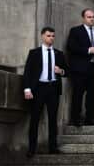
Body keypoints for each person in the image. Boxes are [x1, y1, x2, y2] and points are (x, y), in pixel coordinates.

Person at [22, 26, 67, 157]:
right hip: (38, 89)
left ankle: (53, 147)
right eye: (48, 35)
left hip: (53, 88)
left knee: (53, 119)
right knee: (34, 119)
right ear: (42, 36)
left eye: (53, 36)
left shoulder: (59, 54)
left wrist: (61, 71)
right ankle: (32, 149)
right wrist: (27, 89)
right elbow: (27, 73)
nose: (51, 38)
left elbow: (67, 71)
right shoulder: (34, 53)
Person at [65, 8, 94, 127]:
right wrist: (89, 50)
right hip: (80, 68)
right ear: (83, 18)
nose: (92, 19)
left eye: (93, 17)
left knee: (92, 95)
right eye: (89, 17)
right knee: (78, 94)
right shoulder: (75, 31)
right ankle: (75, 118)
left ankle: (90, 118)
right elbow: (71, 47)